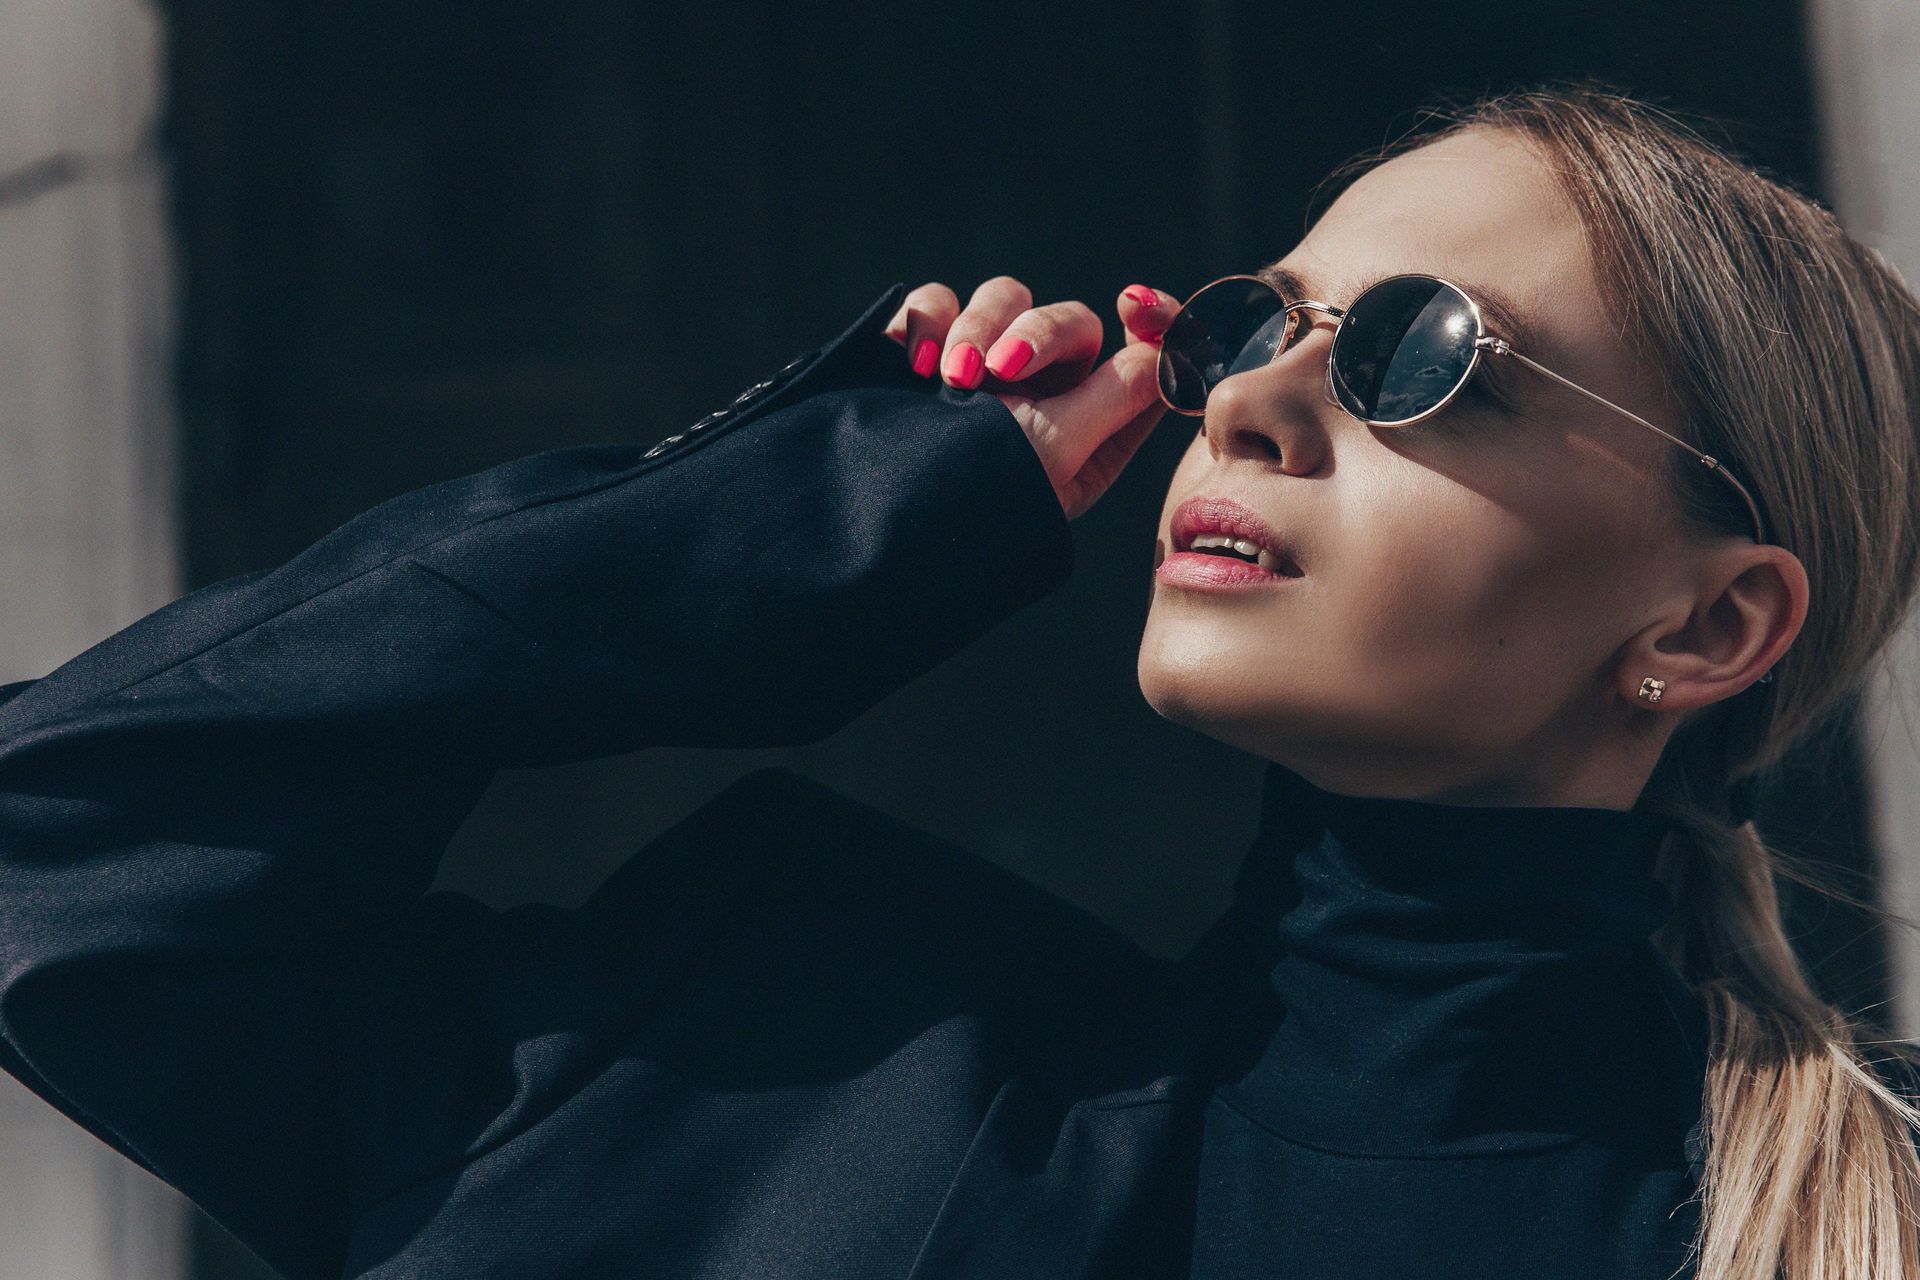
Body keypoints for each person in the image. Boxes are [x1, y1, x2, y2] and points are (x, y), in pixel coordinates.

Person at [0, 80, 1916, 1280]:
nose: (1247, 395)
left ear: (1704, 625)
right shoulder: (762, 1062)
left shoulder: (1852, 1225)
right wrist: (791, 523)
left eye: (1419, 356)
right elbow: (69, 853)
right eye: (1259, 319)